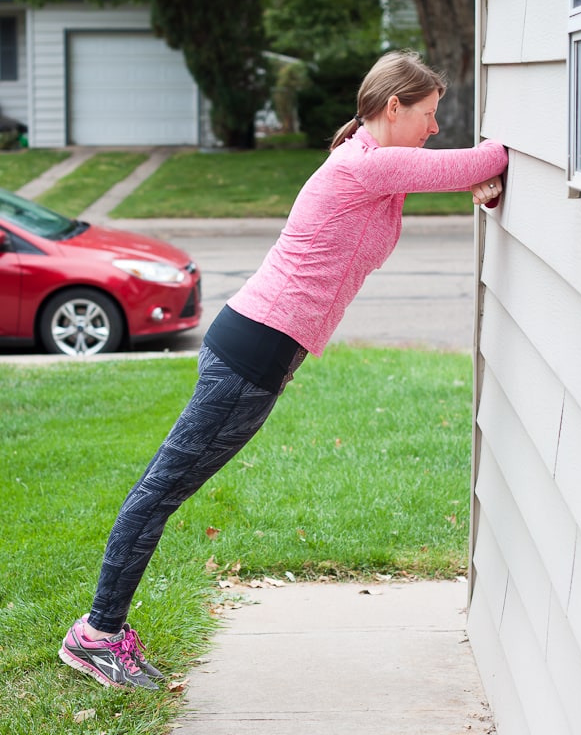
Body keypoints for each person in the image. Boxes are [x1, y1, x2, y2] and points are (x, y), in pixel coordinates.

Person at [59, 49, 508, 689]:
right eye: (429, 115)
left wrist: (479, 191)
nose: (435, 128)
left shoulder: (369, 165)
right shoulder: (365, 166)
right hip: (249, 355)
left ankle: (101, 631)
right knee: (159, 492)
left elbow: (458, 179)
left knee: (165, 490)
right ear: (392, 108)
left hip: (259, 355)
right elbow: (482, 161)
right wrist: (493, 167)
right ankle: (97, 635)